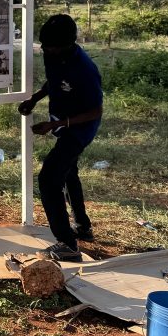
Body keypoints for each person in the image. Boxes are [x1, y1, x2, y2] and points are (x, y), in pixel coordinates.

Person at [17, 14, 103, 262]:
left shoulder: (84, 69)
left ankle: (67, 244)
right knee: (68, 172)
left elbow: (95, 112)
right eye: (44, 45)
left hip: (80, 129)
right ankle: (83, 227)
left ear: (67, 45)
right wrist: (35, 98)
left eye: (51, 47)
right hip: (63, 122)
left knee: (49, 177)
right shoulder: (52, 53)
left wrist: (55, 124)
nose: (45, 50)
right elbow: (54, 81)